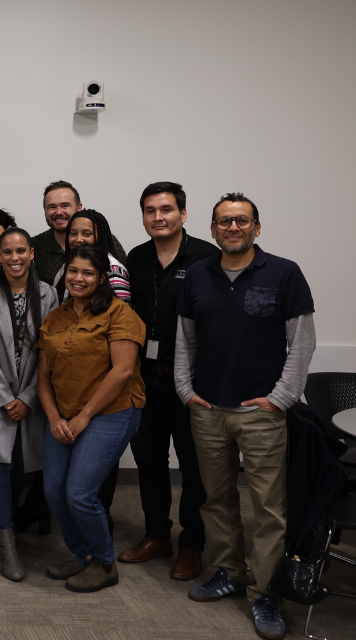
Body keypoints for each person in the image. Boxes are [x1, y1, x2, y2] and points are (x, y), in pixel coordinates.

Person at [176, 193, 315, 640]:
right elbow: (185, 340)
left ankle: (265, 593)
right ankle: (229, 573)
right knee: (216, 500)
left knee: (269, 510)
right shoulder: (197, 275)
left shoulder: (284, 273)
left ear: (257, 227)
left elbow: (302, 341)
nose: (232, 228)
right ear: (212, 229)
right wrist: (186, 391)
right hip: (208, 411)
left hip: (262, 414)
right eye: (224, 221)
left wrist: (280, 398)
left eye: (241, 220)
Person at [119, 182, 219, 580]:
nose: (158, 217)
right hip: (145, 379)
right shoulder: (136, 257)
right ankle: (157, 535)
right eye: (150, 211)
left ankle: (192, 545)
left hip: (190, 384)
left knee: (193, 467)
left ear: (183, 214)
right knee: (149, 462)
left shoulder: (206, 257)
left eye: (166, 209)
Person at [37, 244, 145, 593]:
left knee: (80, 494)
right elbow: (43, 377)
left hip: (112, 412)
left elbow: (123, 371)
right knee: (54, 492)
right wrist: (54, 417)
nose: (78, 278)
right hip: (64, 413)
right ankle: (82, 553)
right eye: (73, 271)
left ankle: (104, 563)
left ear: (101, 278)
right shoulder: (55, 317)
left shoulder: (120, 313)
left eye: (87, 272)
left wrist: (83, 417)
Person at [0, 228, 58, 581]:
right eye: (7, 252)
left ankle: (5, 518)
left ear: (31, 253)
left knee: (21, 469)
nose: (14, 258)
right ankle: (6, 546)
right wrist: (6, 398)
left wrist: (28, 397)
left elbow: (51, 350)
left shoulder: (47, 293)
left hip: (32, 395)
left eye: (21, 251)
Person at [33, 181, 127, 285]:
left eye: (65, 205)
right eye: (52, 207)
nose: (59, 212)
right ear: (45, 210)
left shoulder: (106, 240)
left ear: (79, 208)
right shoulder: (34, 244)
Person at [52, 209, 131, 303]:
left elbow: (122, 310)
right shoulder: (66, 265)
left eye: (87, 234)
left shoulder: (113, 271)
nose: (78, 239)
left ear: (100, 236)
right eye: (73, 233)